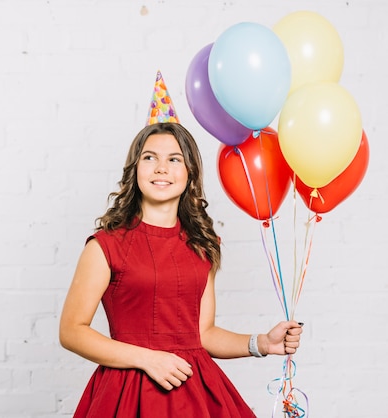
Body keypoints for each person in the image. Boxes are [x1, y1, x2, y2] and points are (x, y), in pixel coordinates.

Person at [59, 72, 303, 417]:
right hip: (128, 395)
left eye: (174, 159)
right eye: (149, 157)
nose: (161, 168)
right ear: (135, 169)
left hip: (195, 392)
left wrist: (261, 343)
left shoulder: (203, 246)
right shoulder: (105, 246)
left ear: (189, 172)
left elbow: (202, 334)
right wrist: (146, 359)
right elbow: (71, 331)